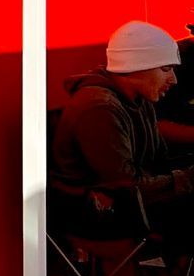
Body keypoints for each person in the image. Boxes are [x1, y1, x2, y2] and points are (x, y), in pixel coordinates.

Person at [53, 20, 194, 244]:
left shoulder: (140, 98)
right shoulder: (99, 108)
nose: (173, 80)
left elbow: (158, 162)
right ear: (137, 66)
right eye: (166, 68)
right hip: (102, 217)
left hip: (133, 206)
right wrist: (188, 179)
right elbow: (126, 188)